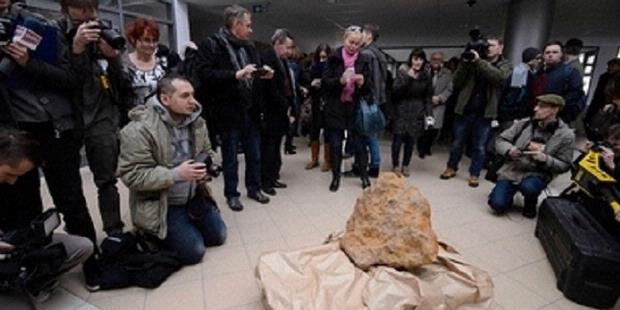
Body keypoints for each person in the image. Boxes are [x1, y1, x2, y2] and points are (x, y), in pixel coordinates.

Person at [0, 0, 98, 248]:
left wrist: (27, 63)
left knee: (71, 199)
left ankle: (90, 259)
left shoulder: (39, 25)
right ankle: (34, 263)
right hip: (15, 132)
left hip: (56, 128)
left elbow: (70, 80)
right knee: (24, 204)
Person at [118, 74, 227, 265]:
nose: (193, 101)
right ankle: (151, 233)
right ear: (165, 99)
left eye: (193, 95)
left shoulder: (197, 122)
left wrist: (205, 171)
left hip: (193, 196)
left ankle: (182, 227)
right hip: (162, 202)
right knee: (194, 252)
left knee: (218, 236)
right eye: (185, 96)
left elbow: (207, 151)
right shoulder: (139, 129)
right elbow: (132, 176)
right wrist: (176, 174)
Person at [57, 0, 127, 237]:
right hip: (67, 119)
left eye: (93, 8)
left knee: (106, 181)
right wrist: (76, 48)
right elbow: (63, 80)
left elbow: (123, 83)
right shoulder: (55, 33)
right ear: (66, 9)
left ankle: (114, 231)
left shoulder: (104, 33)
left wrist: (114, 58)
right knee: (69, 186)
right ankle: (80, 234)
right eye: (82, 8)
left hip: (101, 117)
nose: (89, 14)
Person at [0, 128, 93, 303]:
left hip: (13, 244)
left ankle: (32, 284)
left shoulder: (12, 183)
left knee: (82, 246)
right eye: (9, 174)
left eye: (19, 176)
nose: (13, 181)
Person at [195, 5, 273, 211]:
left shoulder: (249, 47)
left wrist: (262, 73)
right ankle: (232, 194)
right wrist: (235, 75)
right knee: (230, 157)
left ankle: (254, 188)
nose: (251, 29)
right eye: (247, 25)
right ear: (236, 25)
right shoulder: (212, 45)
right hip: (228, 111)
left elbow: (252, 70)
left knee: (254, 154)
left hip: (250, 110)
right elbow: (204, 75)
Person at [440, 35, 512, 187]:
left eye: (491, 45)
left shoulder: (505, 64)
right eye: (486, 46)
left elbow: (498, 78)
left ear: (501, 47)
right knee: (457, 143)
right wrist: (465, 63)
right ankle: (451, 167)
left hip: (485, 113)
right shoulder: (471, 62)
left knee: (479, 146)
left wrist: (479, 62)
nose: (488, 48)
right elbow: (457, 82)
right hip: (465, 110)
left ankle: (474, 174)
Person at [488, 95, 575, 218]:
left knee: (529, 187)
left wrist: (545, 159)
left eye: (541, 107)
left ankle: (530, 201)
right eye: (536, 105)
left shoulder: (566, 135)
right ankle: (507, 195)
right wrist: (509, 150)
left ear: (555, 110)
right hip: (513, 169)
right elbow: (500, 140)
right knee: (497, 205)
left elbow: (565, 165)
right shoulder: (524, 124)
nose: (535, 109)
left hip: (538, 173)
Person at [322, 25, 371, 191]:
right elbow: (325, 83)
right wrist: (340, 81)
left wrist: (362, 83)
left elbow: (369, 88)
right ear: (344, 40)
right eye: (351, 42)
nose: (353, 46)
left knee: (359, 144)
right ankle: (336, 177)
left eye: (357, 44)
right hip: (335, 107)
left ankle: (364, 176)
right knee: (336, 144)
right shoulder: (333, 58)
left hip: (354, 107)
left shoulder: (364, 60)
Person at [259, 29, 295, 196]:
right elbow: (271, 89)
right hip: (270, 111)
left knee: (275, 148)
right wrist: (285, 107)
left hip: (280, 111)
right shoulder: (266, 58)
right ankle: (265, 181)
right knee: (268, 148)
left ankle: (273, 177)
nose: (289, 51)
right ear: (278, 44)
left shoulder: (282, 61)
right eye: (287, 47)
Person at [390, 48, 432, 177]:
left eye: (420, 59)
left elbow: (428, 96)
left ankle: (406, 165)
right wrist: (409, 79)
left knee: (410, 141)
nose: (417, 62)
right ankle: (396, 165)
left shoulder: (426, 75)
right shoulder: (402, 72)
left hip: (417, 112)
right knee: (397, 140)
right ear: (411, 59)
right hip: (401, 110)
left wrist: (429, 114)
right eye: (415, 59)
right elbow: (395, 92)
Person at [529, 40, 585, 124]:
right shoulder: (539, 73)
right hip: (537, 115)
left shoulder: (570, 72)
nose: (550, 55)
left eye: (555, 52)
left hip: (558, 117)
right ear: (543, 55)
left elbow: (574, 94)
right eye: (547, 52)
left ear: (561, 54)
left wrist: (556, 109)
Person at [360, 23, 388, 178]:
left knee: (369, 134)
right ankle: (373, 164)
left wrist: (371, 98)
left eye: (362, 33)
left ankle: (374, 166)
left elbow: (374, 80)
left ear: (369, 35)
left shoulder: (368, 54)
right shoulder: (379, 53)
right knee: (373, 133)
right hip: (377, 98)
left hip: (369, 99)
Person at [123, 17, 167, 108]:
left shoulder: (163, 63)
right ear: (133, 39)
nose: (151, 45)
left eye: (154, 41)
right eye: (146, 40)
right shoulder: (124, 64)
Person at [417, 51, 453, 158]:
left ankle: (428, 147)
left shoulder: (448, 73)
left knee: (434, 129)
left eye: (439, 60)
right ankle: (421, 149)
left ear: (442, 61)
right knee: (423, 128)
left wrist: (440, 98)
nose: (436, 62)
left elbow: (450, 89)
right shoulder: (423, 71)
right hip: (424, 104)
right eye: (434, 59)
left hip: (438, 104)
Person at [305, 43, 332, 171]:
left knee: (328, 132)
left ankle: (327, 160)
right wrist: (311, 85)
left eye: (325, 57)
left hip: (327, 102)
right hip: (316, 102)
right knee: (314, 131)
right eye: (320, 57)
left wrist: (324, 82)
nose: (322, 60)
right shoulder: (313, 68)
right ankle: (314, 159)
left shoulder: (332, 68)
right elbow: (309, 87)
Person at [584, 58, 620, 135]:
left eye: (612, 66)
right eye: (609, 66)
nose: (609, 68)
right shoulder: (605, 77)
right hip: (600, 105)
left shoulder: (615, 80)